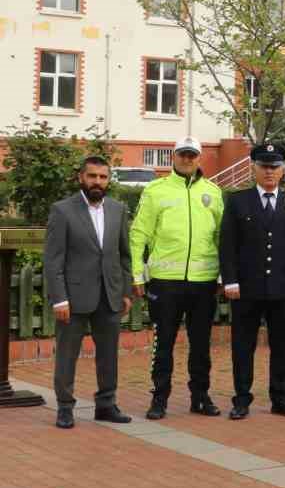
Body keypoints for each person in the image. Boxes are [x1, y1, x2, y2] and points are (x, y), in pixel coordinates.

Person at [129, 136, 224, 420]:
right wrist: (137, 274)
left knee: (201, 345)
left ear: (199, 158)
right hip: (165, 282)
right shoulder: (155, 190)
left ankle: (200, 396)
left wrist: (223, 275)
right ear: (174, 156)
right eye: (182, 154)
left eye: (192, 155)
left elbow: (222, 237)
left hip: (203, 281)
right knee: (164, 344)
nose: (187, 159)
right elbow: (138, 234)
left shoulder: (213, 192)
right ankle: (159, 398)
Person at [218, 142, 285, 420]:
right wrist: (230, 280)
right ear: (254, 169)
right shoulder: (238, 201)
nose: (269, 171)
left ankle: (281, 398)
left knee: (282, 347)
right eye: (264, 166)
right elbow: (227, 244)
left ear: (282, 170)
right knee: (242, 346)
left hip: (282, 288)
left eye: (274, 167)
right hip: (247, 288)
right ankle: (241, 399)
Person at [44, 156, 133, 429]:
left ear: (108, 180)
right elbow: (53, 260)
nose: (97, 182)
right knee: (67, 355)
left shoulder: (118, 209)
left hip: (110, 295)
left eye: (103, 177)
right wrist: (59, 298)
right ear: (81, 178)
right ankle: (65, 408)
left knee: (108, 355)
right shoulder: (62, 211)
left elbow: (124, 255)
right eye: (92, 176)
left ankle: (106, 405)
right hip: (73, 298)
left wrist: (125, 291)